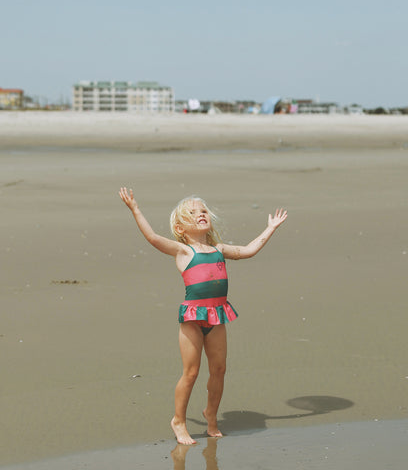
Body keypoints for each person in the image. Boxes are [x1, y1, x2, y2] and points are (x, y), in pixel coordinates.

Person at [119, 187, 287, 445]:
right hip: (193, 319)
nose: (201, 214)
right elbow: (153, 238)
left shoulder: (219, 249)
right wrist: (135, 209)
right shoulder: (183, 251)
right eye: (193, 212)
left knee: (219, 369)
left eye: (204, 211)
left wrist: (271, 228)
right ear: (181, 228)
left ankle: (211, 416)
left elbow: (249, 250)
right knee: (191, 373)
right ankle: (179, 420)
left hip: (217, 317)